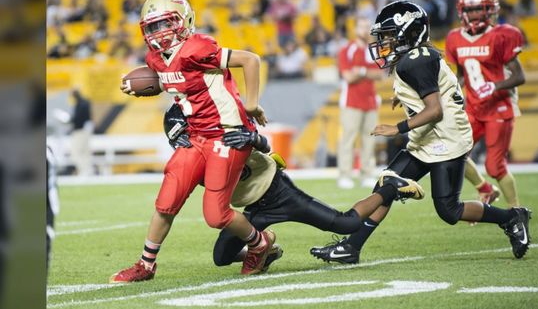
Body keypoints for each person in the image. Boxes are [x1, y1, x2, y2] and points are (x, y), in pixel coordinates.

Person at [310, 1, 532, 264]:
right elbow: (430, 92)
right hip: (428, 137)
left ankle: (512, 217)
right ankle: (351, 247)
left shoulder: (415, 61)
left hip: (446, 140)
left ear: (409, 32)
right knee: (385, 185)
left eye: (390, 35)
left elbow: (435, 110)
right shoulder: (416, 58)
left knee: (449, 211)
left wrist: (398, 128)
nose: (384, 42)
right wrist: (405, 100)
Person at [111, 0, 274, 282]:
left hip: (227, 136)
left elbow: (251, 60)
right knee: (166, 200)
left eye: (165, 24)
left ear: (184, 20)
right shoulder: (156, 59)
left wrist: (250, 104)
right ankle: (146, 265)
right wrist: (148, 86)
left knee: (216, 215)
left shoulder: (197, 47)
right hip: (196, 135)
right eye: (153, 27)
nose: (159, 33)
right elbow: (179, 79)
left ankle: (260, 243)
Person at [163, 103, 425, 269]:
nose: (188, 143)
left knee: (346, 224)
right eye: (182, 139)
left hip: (279, 191)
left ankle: (389, 186)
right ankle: (267, 249)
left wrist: (252, 138)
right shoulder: (190, 159)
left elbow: (264, 144)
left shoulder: (224, 129)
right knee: (222, 257)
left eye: (189, 135)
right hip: (253, 208)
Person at [445, 0, 526, 207]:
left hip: (498, 107)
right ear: (462, 12)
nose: (473, 15)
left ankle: (516, 212)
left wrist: (494, 86)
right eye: (469, 11)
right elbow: (461, 76)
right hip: (473, 107)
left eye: (479, 10)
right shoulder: (454, 38)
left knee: (495, 167)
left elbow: (519, 76)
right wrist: (446, 93)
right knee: (454, 153)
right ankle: (485, 189)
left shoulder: (503, 35)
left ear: (490, 10)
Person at [336, 16, 385, 189]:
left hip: (371, 101)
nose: (365, 31)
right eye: (362, 27)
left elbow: (380, 74)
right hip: (351, 102)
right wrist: (367, 72)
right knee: (348, 139)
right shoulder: (347, 49)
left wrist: (362, 71)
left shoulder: (373, 50)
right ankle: (344, 175)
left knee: (369, 140)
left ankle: (366, 174)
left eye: (367, 27)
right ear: (355, 29)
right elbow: (348, 76)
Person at [69, 89, 93, 176]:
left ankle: (85, 170)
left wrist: (70, 120)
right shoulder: (84, 103)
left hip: (80, 131)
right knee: (85, 152)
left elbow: (78, 119)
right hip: (84, 131)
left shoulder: (81, 104)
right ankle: (88, 170)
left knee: (76, 153)